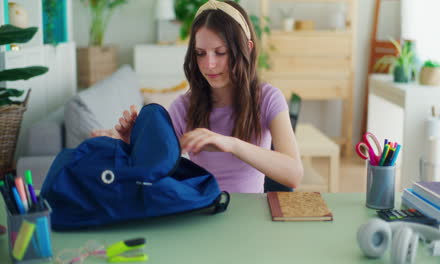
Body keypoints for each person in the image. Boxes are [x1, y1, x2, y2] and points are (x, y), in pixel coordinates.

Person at [91, 0, 303, 193]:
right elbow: (154, 164)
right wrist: (132, 142)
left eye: (220, 52)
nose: (209, 64)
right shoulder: (184, 106)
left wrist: (231, 144)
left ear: (246, 49)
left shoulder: (267, 98)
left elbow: (293, 175)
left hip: (250, 215)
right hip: (203, 210)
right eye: (200, 53)